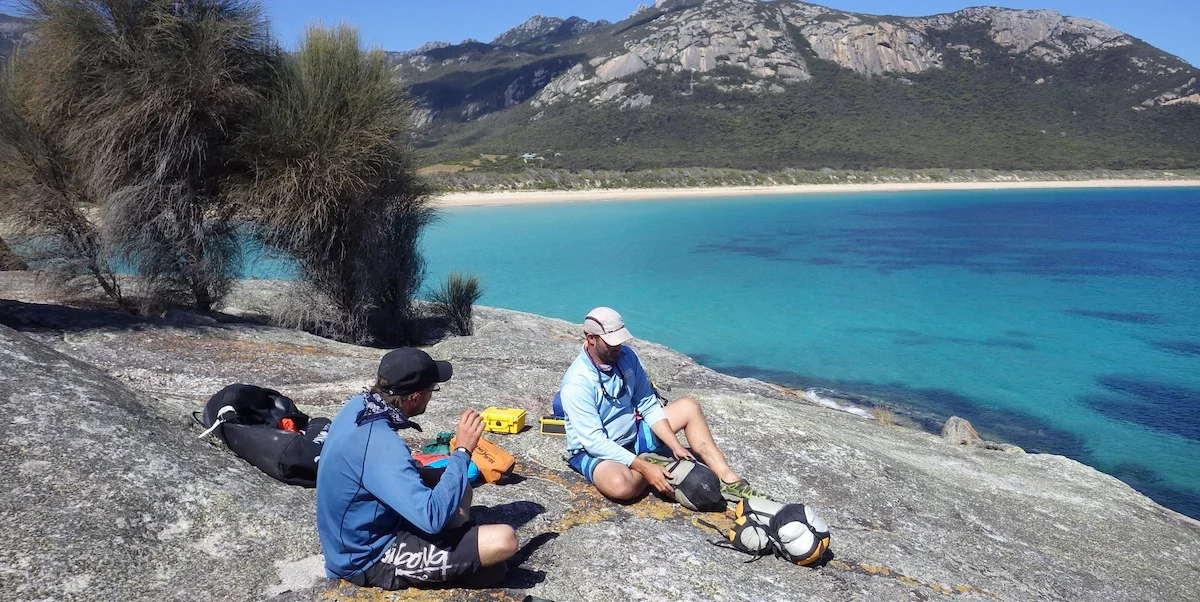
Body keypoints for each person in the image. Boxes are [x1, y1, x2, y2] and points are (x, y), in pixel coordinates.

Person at [316, 347, 518, 590]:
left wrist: (427, 473)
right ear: (415, 397)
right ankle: (456, 549)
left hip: (360, 531)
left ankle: (457, 547)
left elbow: (366, 468)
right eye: (432, 389)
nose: (432, 396)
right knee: (503, 541)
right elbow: (431, 518)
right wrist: (462, 450)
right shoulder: (382, 444)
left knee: (458, 485)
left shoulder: (359, 406)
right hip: (368, 556)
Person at [559, 306, 762, 504]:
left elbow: (647, 404)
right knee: (621, 486)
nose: (618, 347)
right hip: (594, 451)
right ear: (591, 339)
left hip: (632, 435)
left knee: (689, 407)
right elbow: (594, 441)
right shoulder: (577, 383)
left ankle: (729, 479)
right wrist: (644, 467)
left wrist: (674, 445)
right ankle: (653, 467)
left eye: (620, 340)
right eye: (611, 342)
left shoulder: (627, 357)